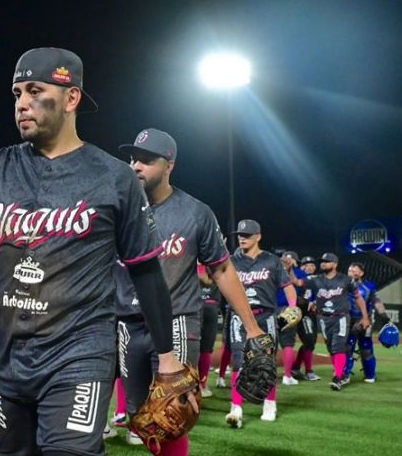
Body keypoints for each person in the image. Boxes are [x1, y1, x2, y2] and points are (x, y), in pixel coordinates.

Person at [0, 47, 193, 456]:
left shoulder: (115, 178)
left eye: (35, 90)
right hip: (6, 358)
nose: (22, 103)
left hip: (80, 355)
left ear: (72, 98)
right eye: (17, 93)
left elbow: (145, 270)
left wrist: (168, 358)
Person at [116, 129, 267, 451]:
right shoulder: (119, 211)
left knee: (173, 412)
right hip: (127, 323)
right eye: (133, 159)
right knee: (140, 417)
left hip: (177, 321)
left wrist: (252, 328)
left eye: (146, 160)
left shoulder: (195, 212)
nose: (136, 167)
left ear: (169, 164)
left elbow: (222, 269)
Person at [226, 220, 298, 427]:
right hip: (239, 316)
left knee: (266, 362)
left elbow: (287, 286)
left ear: (259, 236)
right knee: (238, 361)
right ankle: (236, 408)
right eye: (240, 234)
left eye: (247, 234)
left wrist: (292, 306)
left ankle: (270, 404)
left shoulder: (272, 261)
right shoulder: (231, 261)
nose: (242, 237)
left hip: (265, 316)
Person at [289, 253, 370, 391]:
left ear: (335, 264)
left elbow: (358, 297)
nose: (323, 263)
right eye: (322, 261)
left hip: (341, 317)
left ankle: (337, 377)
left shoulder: (346, 279)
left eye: (327, 261)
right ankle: (341, 373)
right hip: (323, 318)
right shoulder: (315, 279)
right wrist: (290, 269)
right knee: (331, 348)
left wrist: (365, 317)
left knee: (338, 346)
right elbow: (297, 282)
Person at [346, 262, 389, 383]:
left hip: (365, 321)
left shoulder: (369, 286)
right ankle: (345, 374)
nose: (351, 272)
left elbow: (376, 301)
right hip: (347, 321)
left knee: (366, 348)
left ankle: (370, 375)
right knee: (347, 347)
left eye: (355, 270)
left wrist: (383, 315)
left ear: (361, 273)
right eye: (350, 270)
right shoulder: (342, 284)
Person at [290, 256, 321, 381]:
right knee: (309, 340)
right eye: (307, 265)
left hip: (309, 313)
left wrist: (314, 302)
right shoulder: (299, 279)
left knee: (310, 342)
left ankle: (296, 367)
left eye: (312, 265)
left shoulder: (314, 280)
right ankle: (309, 371)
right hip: (299, 313)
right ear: (301, 267)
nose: (310, 267)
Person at [277, 251, 302, 385]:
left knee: (268, 343)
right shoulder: (299, 272)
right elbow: (296, 283)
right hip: (287, 309)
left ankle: (265, 374)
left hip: (270, 310)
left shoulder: (270, 269)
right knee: (287, 344)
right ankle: (287, 376)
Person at [198, 263, 221, 397]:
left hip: (193, 305)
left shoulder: (188, 260)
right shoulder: (216, 266)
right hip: (211, 307)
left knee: (190, 348)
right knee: (206, 350)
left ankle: (189, 386)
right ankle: (202, 386)